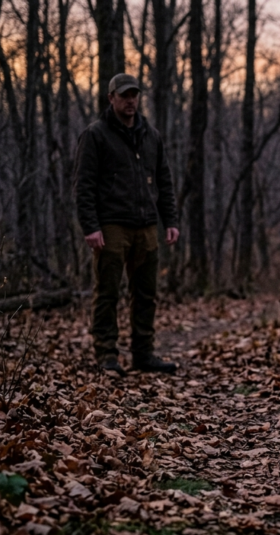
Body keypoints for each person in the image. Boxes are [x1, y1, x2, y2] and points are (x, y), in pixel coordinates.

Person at [74, 73, 179, 375]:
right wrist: (90, 226)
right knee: (107, 292)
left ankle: (143, 353)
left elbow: (165, 181)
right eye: (124, 95)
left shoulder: (151, 135)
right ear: (111, 98)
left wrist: (169, 220)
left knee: (145, 293)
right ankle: (106, 354)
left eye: (134, 94)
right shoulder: (96, 135)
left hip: (146, 226)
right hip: (111, 227)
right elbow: (83, 185)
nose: (130, 100)